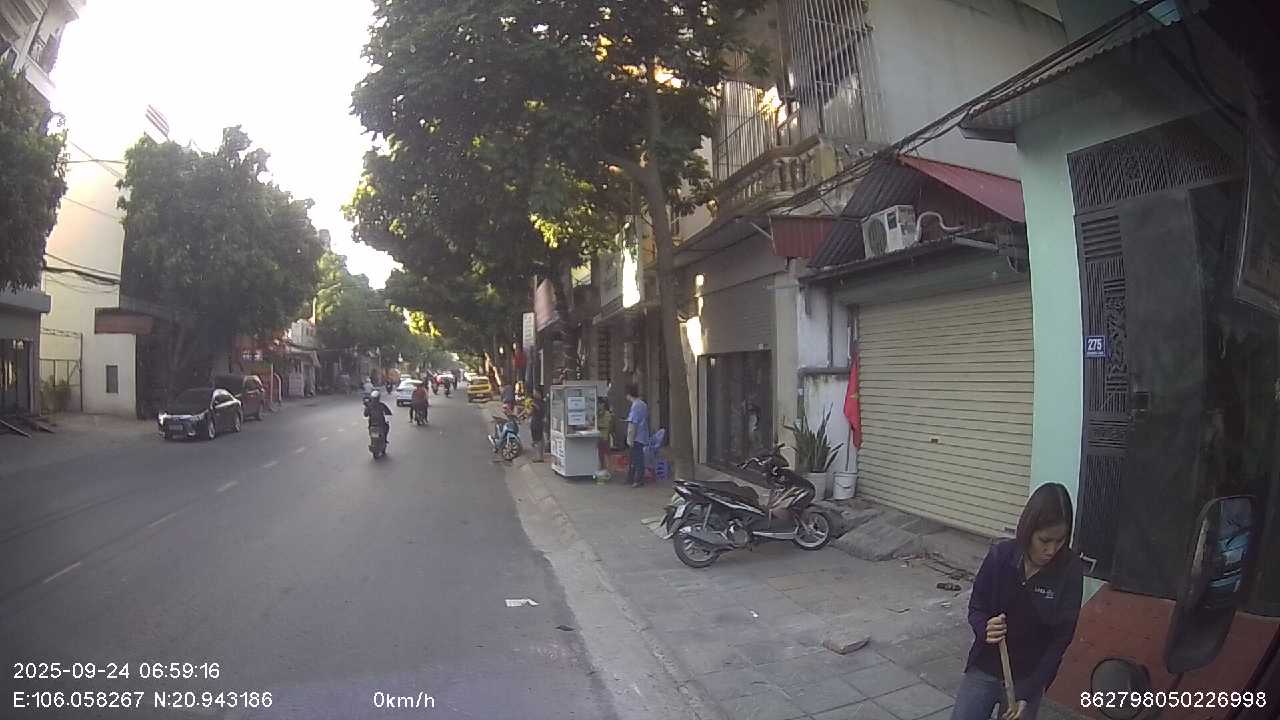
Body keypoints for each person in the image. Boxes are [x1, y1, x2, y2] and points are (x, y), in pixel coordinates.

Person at [951, 483, 1083, 720]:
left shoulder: (1069, 570)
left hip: (1028, 676)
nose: (1051, 550)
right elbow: (977, 606)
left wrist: (1029, 691)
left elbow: (1060, 639)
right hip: (985, 666)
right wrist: (984, 627)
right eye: (1045, 540)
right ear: (1028, 530)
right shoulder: (1001, 556)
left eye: (1060, 540)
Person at [624, 383, 649, 488]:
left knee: (637, 459)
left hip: (636, 436)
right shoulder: (643, 404)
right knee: (637, 458)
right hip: (642, 434)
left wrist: (630, 438)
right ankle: (633, 478)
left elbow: (633, 424)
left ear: (628, 394)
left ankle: (638, 480)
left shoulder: (635, 406)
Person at [529, 386, 545, 462]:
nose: (534, 393)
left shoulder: (535, 403)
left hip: (536, 423)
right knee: (540, 439)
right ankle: (539, 456)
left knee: (537, 440)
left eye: (535, 392)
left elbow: (530, 412)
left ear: (538, 393)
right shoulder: (542, 402)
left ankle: (538, 457)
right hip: (539, 422)